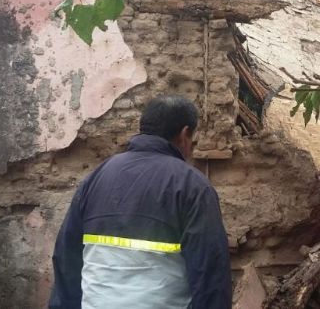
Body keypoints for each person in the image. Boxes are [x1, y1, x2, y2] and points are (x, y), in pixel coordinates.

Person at [48, 95, 232, 309]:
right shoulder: (193, 187)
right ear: (184, 134)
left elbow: (66, 259)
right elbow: (210, 276)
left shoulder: (96, 177)